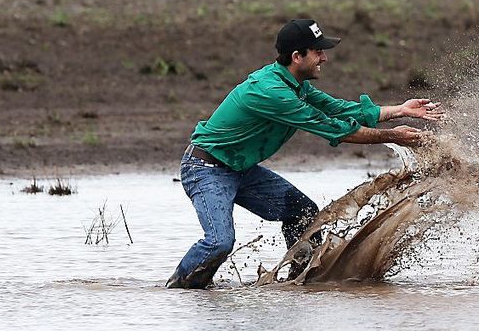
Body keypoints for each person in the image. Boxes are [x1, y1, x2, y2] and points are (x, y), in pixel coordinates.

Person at [166, 18, 444, 289]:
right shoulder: (273, 93)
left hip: (240, 169)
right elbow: (336, 129)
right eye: (318, 51)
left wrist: (400, 110)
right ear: (297, 56)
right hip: (207, 169)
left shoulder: (293, 84)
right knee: (219, 243)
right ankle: (179, 289)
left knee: (303, 213)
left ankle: (303, 284)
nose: (324, 58)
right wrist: (397, 136)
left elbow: (339, 109)